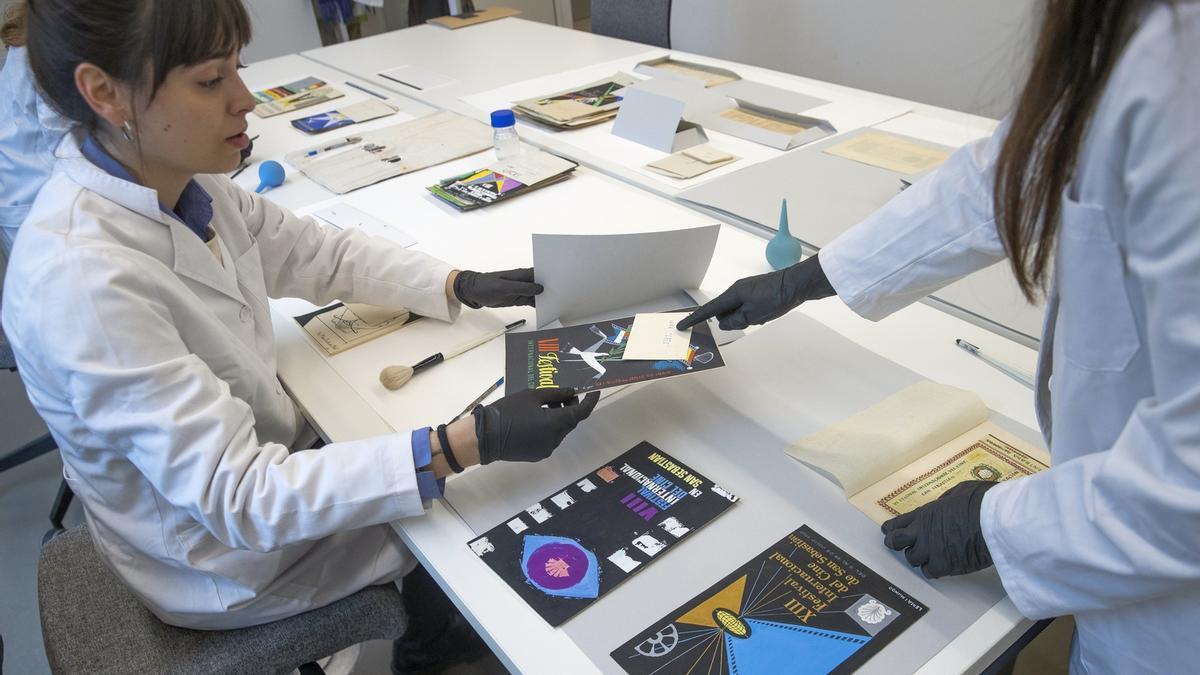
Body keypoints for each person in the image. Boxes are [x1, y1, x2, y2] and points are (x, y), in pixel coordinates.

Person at [0, 0, 599, 670]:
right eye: (210, 82)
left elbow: (318, 253)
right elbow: (243, 498)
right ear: (104, 92)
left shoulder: (177, 183)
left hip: (242, 476)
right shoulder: (82, 282)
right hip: (223, 560)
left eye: (238, 69)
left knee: (423, 450)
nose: (245, 100)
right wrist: (468, 442)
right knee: (491, 497)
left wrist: (455, 282)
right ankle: (433, 648)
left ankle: (431, 629)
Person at [679, 1, 1199, 671]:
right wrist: (816, 274)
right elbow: (1014, 165)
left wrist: (998, 524)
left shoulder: (1181, 65)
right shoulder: (1135, 30)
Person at [0, 2, 71, 253]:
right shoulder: (56, 37)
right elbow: (70, 142)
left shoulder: (46, 20)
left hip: (33, 194)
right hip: (40, 205)